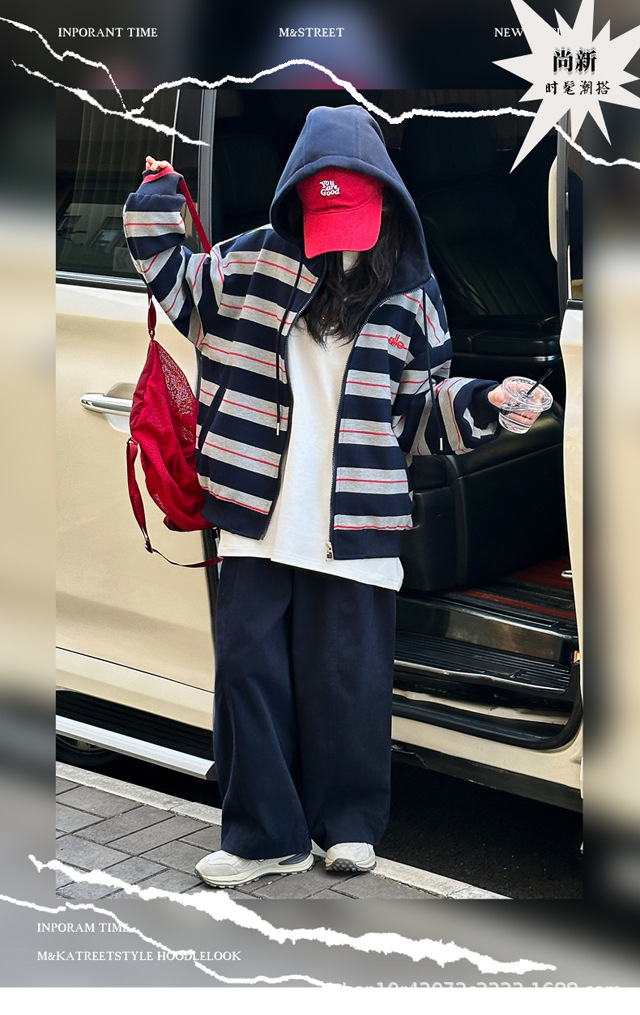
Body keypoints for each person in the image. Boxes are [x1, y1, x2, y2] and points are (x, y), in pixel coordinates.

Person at [123, 103, 521, 889]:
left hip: (357, 522)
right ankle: (265, 835)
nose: (342, 241)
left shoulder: (413, 293)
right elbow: (173, 276)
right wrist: (156, 196)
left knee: (347, 684)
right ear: (297, 200)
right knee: (249, 673)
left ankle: (349, 823)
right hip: (257, 518)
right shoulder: (250, 264)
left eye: (357, 222)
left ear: (388, 204)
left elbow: (419, 415)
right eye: (325, 221)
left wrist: (486, 402)